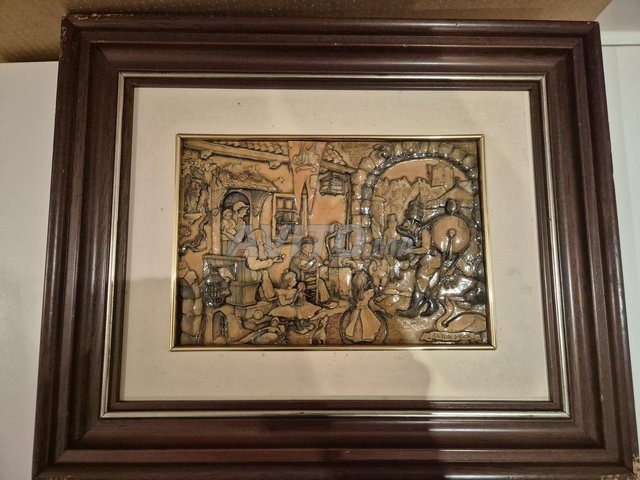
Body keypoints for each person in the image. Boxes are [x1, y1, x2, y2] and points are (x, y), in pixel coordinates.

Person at [342, 271, 382, 343]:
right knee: (366, 324)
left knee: (356, 324)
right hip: (365, 310)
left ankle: (356, 337)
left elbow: (351, 302)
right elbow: (372, 302)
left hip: (356, 311)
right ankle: (366, 337)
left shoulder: (353, 293)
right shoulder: (368, 292)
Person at [289, 236, 330, 305]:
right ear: (304, 247)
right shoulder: (297, 256)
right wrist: (312, 264)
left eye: (312, 245)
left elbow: (320, 263)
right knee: (320, 281)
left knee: (321, 281)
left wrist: (314, 265)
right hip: (301, 279)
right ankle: (320, 301)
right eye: (310, 246)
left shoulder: (313, 254)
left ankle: (324, 300)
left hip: (312, 276)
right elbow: (302, 268)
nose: (312, 247)